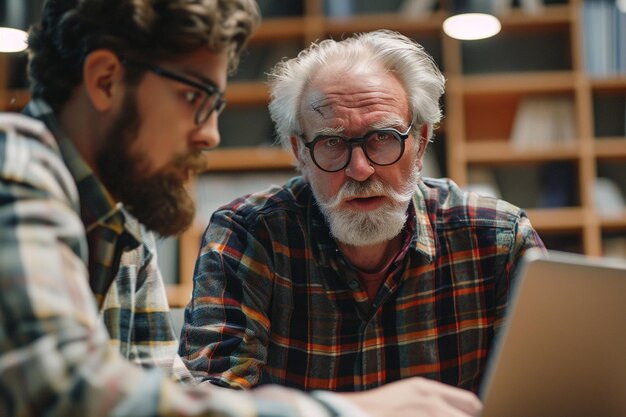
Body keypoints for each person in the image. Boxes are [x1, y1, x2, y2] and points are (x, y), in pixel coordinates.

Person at [0, 1, 482, 416]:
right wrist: (349, 409)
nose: (210, 135)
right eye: (195, 97)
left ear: (420, 143)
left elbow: (168, 395)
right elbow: (61, 394)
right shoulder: (14, 166)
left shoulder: (122, 218)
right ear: (106, 80)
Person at [179, 29, 546, 394]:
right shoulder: (249, 234)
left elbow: (550, 394)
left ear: (419, 143)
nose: (360, 169)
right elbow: (213, 401)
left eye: (382, 137)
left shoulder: (499, 239)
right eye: (332, 143)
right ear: (300, 153)